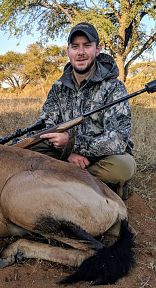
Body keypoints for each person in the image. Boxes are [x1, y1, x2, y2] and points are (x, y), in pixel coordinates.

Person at [29, 22, 136, 199]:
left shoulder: (114, 87)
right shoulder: (58, 87)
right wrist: (69, 152)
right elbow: (47, 124)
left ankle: (60, 179)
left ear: (97, 49)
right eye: (75, 46)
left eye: (87, 46)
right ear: (68, 50)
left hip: (103, 157)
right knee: (27, 151)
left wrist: (73, 143)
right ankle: (86, 182)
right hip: (64, 153)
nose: (80, 52)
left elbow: (117, 140)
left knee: (122, 168)